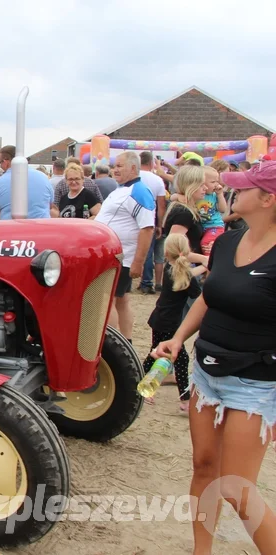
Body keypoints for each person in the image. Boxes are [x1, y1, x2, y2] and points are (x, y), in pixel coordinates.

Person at [154, 161, 276, 554]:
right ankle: (200, 551)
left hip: (256, 383)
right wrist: (177, 339)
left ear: (268, 199)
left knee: (238, 490)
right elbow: (208, 297)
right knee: (204, 468)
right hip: (207, 375)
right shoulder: (225, 242)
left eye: (242, 187)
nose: (229, 190)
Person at [95, 151, 155, 343]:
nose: (115, 169)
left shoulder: (138, 191)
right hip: (116, 255)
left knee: (108, 301)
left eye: (119, 166)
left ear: (133, 168)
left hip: (120, 257)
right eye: (115, 166)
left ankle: (110, 344)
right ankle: (125, 341)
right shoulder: (120, 189)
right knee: (121, 300)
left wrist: (138, 262)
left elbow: (147, 228)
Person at [142, 233, 205, 410]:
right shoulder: (182, 273)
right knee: (176, 357)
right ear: (186, 251)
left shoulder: (172, 269)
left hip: (160, 318)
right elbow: (196, 293)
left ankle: (143, 383)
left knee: (157, 353)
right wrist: (206, 267)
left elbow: (188, 275)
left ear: (167, 252)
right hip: (168, 322)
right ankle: (184, 399)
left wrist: (202, 267)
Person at [0, 145, 54, 220]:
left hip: (11, 229)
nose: (0, 166)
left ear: (5, 162)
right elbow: (50, 205)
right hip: (41, 228)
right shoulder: (43, 177)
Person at [138, 152, 169, 295]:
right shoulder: (157, 180)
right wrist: (160, 224)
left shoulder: (132, 177)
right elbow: (161, 205)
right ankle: (147, 282)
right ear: (151, 163)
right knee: (148, 251)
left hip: (132, 219)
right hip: (149, 218)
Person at [197, 166, 228, 255]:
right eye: (213, 182)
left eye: (217, 181)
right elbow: (174, 196)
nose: (216, 184)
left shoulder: (214, 195)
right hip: (202, 227)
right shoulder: (196, 194)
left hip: (214, 226)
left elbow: (223, 209)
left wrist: (220, 194)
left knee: (206, 243)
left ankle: (208, 263)